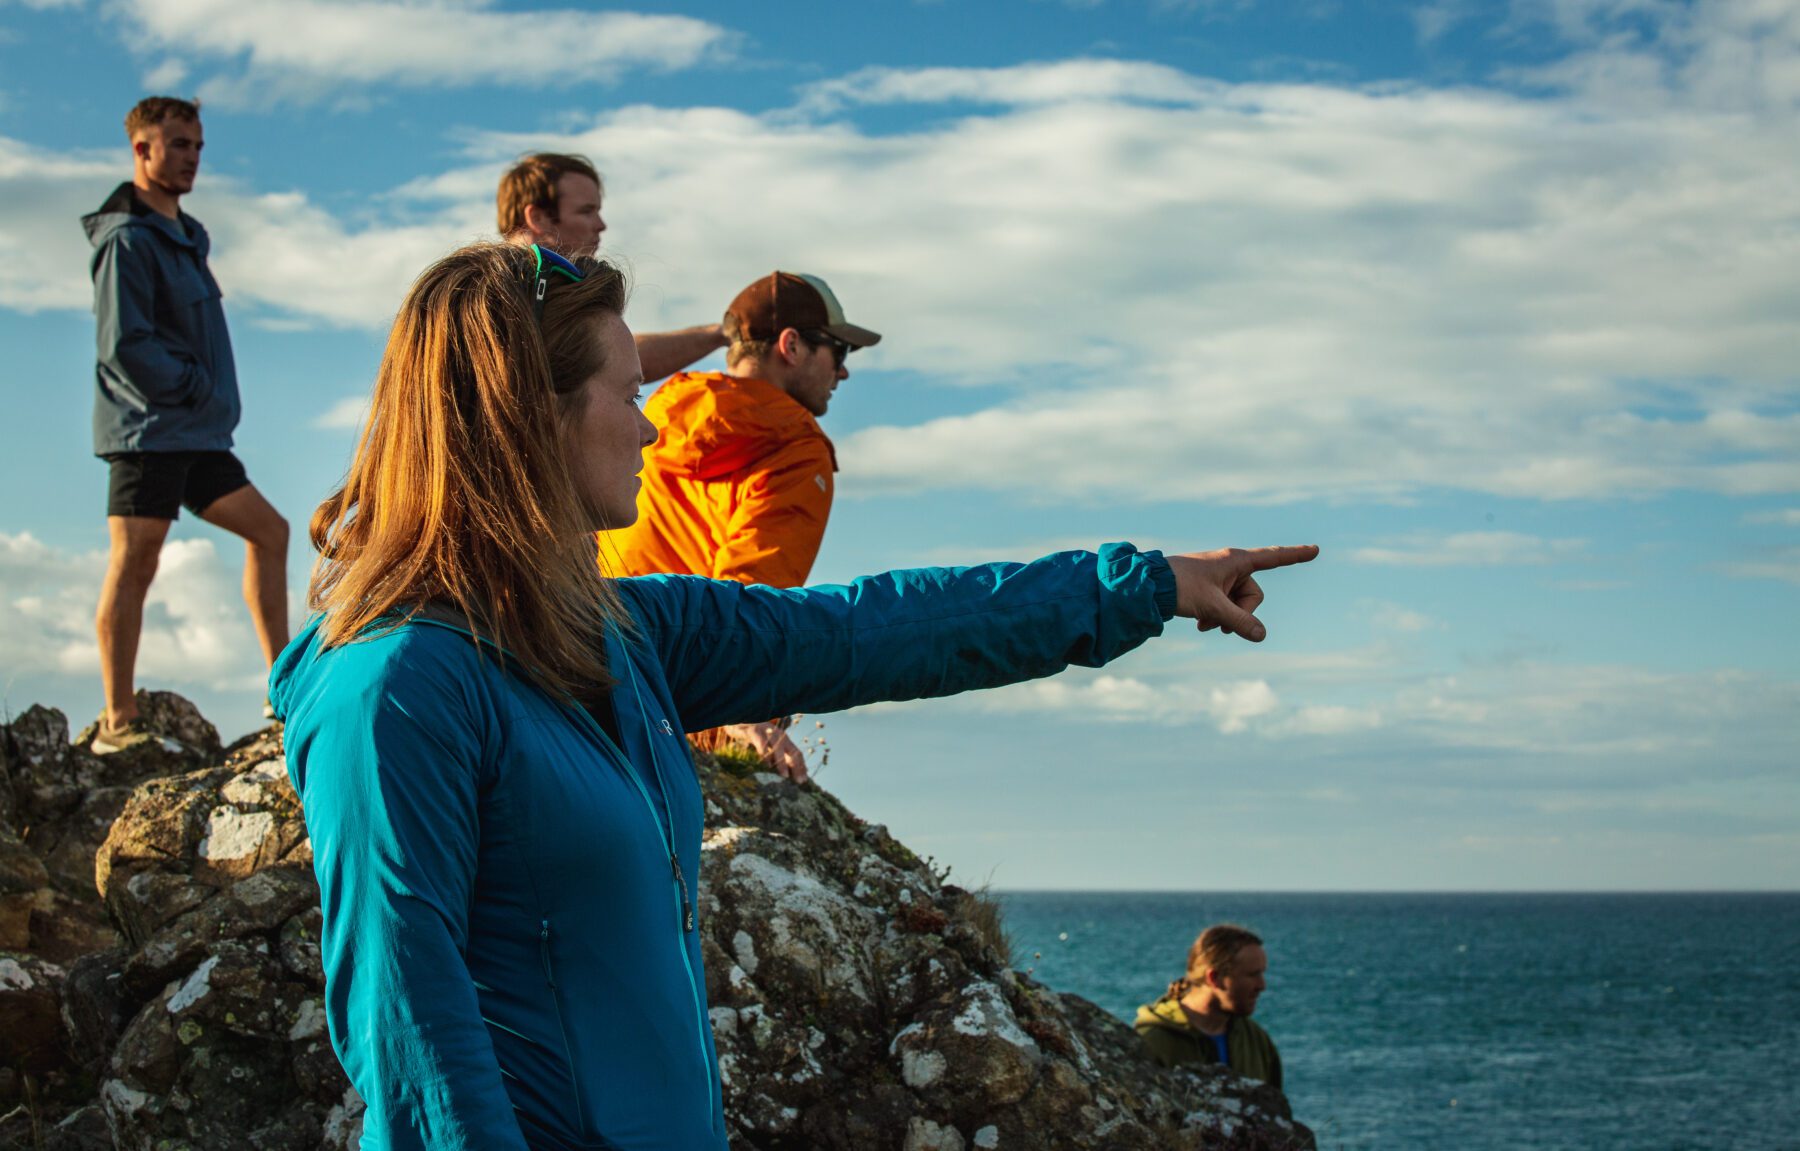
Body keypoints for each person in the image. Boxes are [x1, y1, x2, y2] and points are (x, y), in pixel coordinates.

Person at [270, 242, 1317, 1149]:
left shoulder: (620, 632)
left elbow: (872, 628)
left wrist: (1143, 584)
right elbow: (409, 1030)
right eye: (626, 395)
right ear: (528, 417)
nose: (648, 430)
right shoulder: (396, 681)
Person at [598, 270, 880, 777]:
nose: (843, 373)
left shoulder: (658, 412)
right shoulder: (794, 445)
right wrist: (742, 715)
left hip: (597, 675)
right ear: (791, 346)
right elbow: (753, 593)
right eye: (838, 352)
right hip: (690, 709)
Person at [85, 95, 289, 753]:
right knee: (136, 561)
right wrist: (195, 387)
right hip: (148, 433)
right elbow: (125, 343)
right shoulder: (126, 239)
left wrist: (206, 403)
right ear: (141, 150)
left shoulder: (185, 236)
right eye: (177, 144)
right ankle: (118, 721)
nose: (191, 157)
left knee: (271, 532)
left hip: (197, 435)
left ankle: (282, 686)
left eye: (197, 145)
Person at [498, 151, 726, 381]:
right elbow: (612, 361)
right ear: (538, 218)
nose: (601, 225)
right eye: (586, 211)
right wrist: (724, 333)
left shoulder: (481, 286)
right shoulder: (512, 290)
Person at [1135, 924, 1283, 1089]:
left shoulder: (1255, 1039)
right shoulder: (1154, 1041)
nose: (1262, 985)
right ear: (1214, 978)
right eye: (1252, 975)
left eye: (1262, 973)